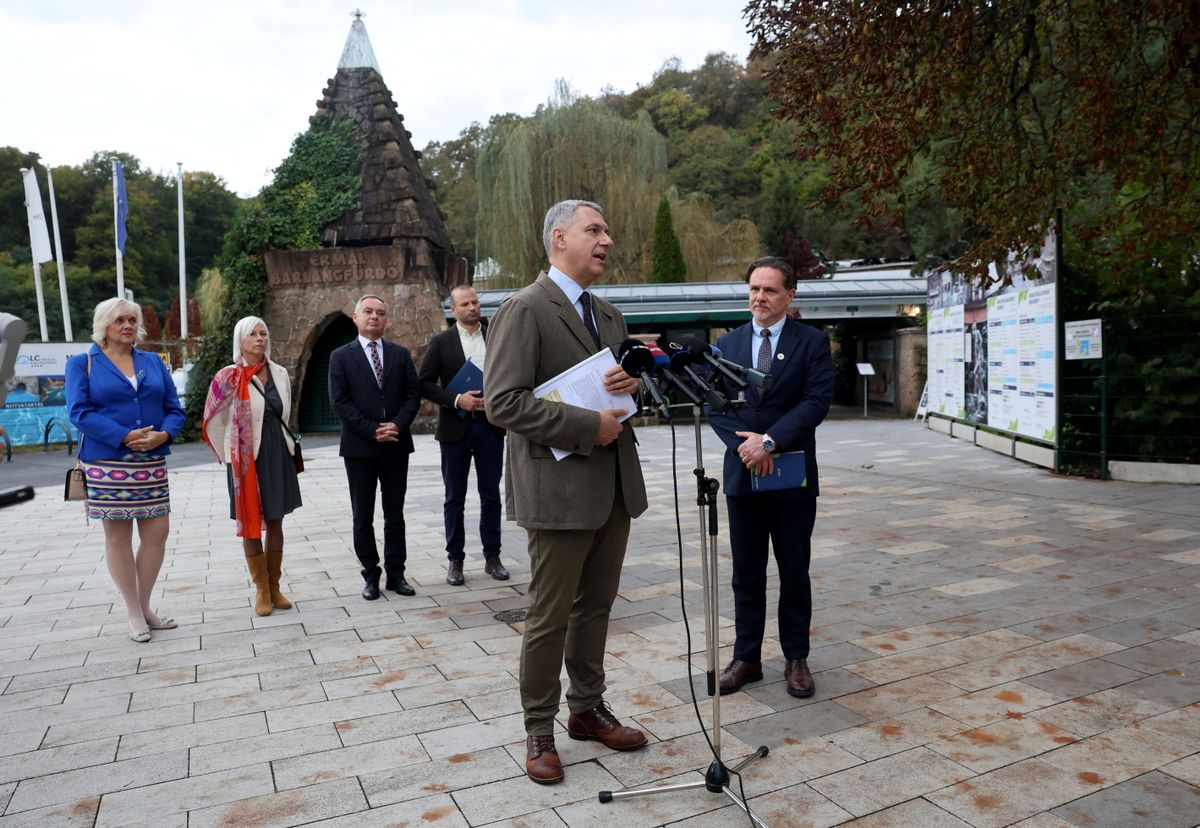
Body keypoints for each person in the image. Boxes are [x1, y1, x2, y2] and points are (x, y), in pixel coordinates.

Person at [485, 199, 649, 785]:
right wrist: (586, 427)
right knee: (549, 616)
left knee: (597, 607)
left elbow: (621, 393)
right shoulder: (524, 309)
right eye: (594, 229)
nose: (607, 238)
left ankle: (587, 709)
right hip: (557, 490)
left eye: (608, 229)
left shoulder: (607, 314)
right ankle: (538, 730)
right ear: (560, 238)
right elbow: (503, 403)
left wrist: (634, 386)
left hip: (612, 488)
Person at [706, 256, 834, 698]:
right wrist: (748, 447)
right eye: (754, 289)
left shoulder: (812, 342)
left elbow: (816, 402)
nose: (760, 297)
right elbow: (714, 404)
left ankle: (796, 658)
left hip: (791, 475)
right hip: (744, 475)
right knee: (747, 571)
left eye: (770, 290)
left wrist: (771, 442)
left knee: (794, 570)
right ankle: (747, 658)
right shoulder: (727, 344)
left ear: (790, 295)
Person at [65, 297, 185, 643]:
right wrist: (123, 435)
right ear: (104, 325)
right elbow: (80, 413)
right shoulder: (82, 363)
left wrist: (164, 433)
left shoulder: (153, 361)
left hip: (150, 462)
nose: (128, 325)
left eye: (132, 319)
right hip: (106, 462)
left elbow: (173, 408)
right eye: (120, 320)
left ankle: (145, 605)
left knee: (157, 532)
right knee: (117, 537)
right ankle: (133, 611)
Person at [202, 317, 302, 616]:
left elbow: (285, 410)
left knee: (275, 521)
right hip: (245, 460)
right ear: (240, 340)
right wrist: (231, 456)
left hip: (277, 452)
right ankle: (260, 589)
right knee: (249, 525)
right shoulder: (227, 377)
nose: (260, 338)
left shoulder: (280, 373)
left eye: (264, 333)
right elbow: (213, 420)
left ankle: (274, 586)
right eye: (253, 334)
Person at [328, 294, 421, 600]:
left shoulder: (400, 354)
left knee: (395, 514)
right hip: (360, 448)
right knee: (362, 516)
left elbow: (412, 396)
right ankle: (370, 574)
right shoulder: (340, 356)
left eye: (381, 313)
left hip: (396, 444)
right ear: (355, 317)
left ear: (386, 320)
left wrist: (398, 424)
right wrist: (371, 430)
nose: (374, 317)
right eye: (368, 311)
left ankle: (397, 574)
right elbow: (339, 402)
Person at [418, 286, 509, 586]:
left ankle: (492, 557)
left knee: (491, 496)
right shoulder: (441, 342)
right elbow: (425, 384)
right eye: (465, 304)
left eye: (475, 302)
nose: (472, 308)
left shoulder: (496, 336)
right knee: (453, 498)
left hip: (490, 426)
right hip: (455, 428)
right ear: (453, 310)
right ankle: (455, 560)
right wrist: (458, 399)